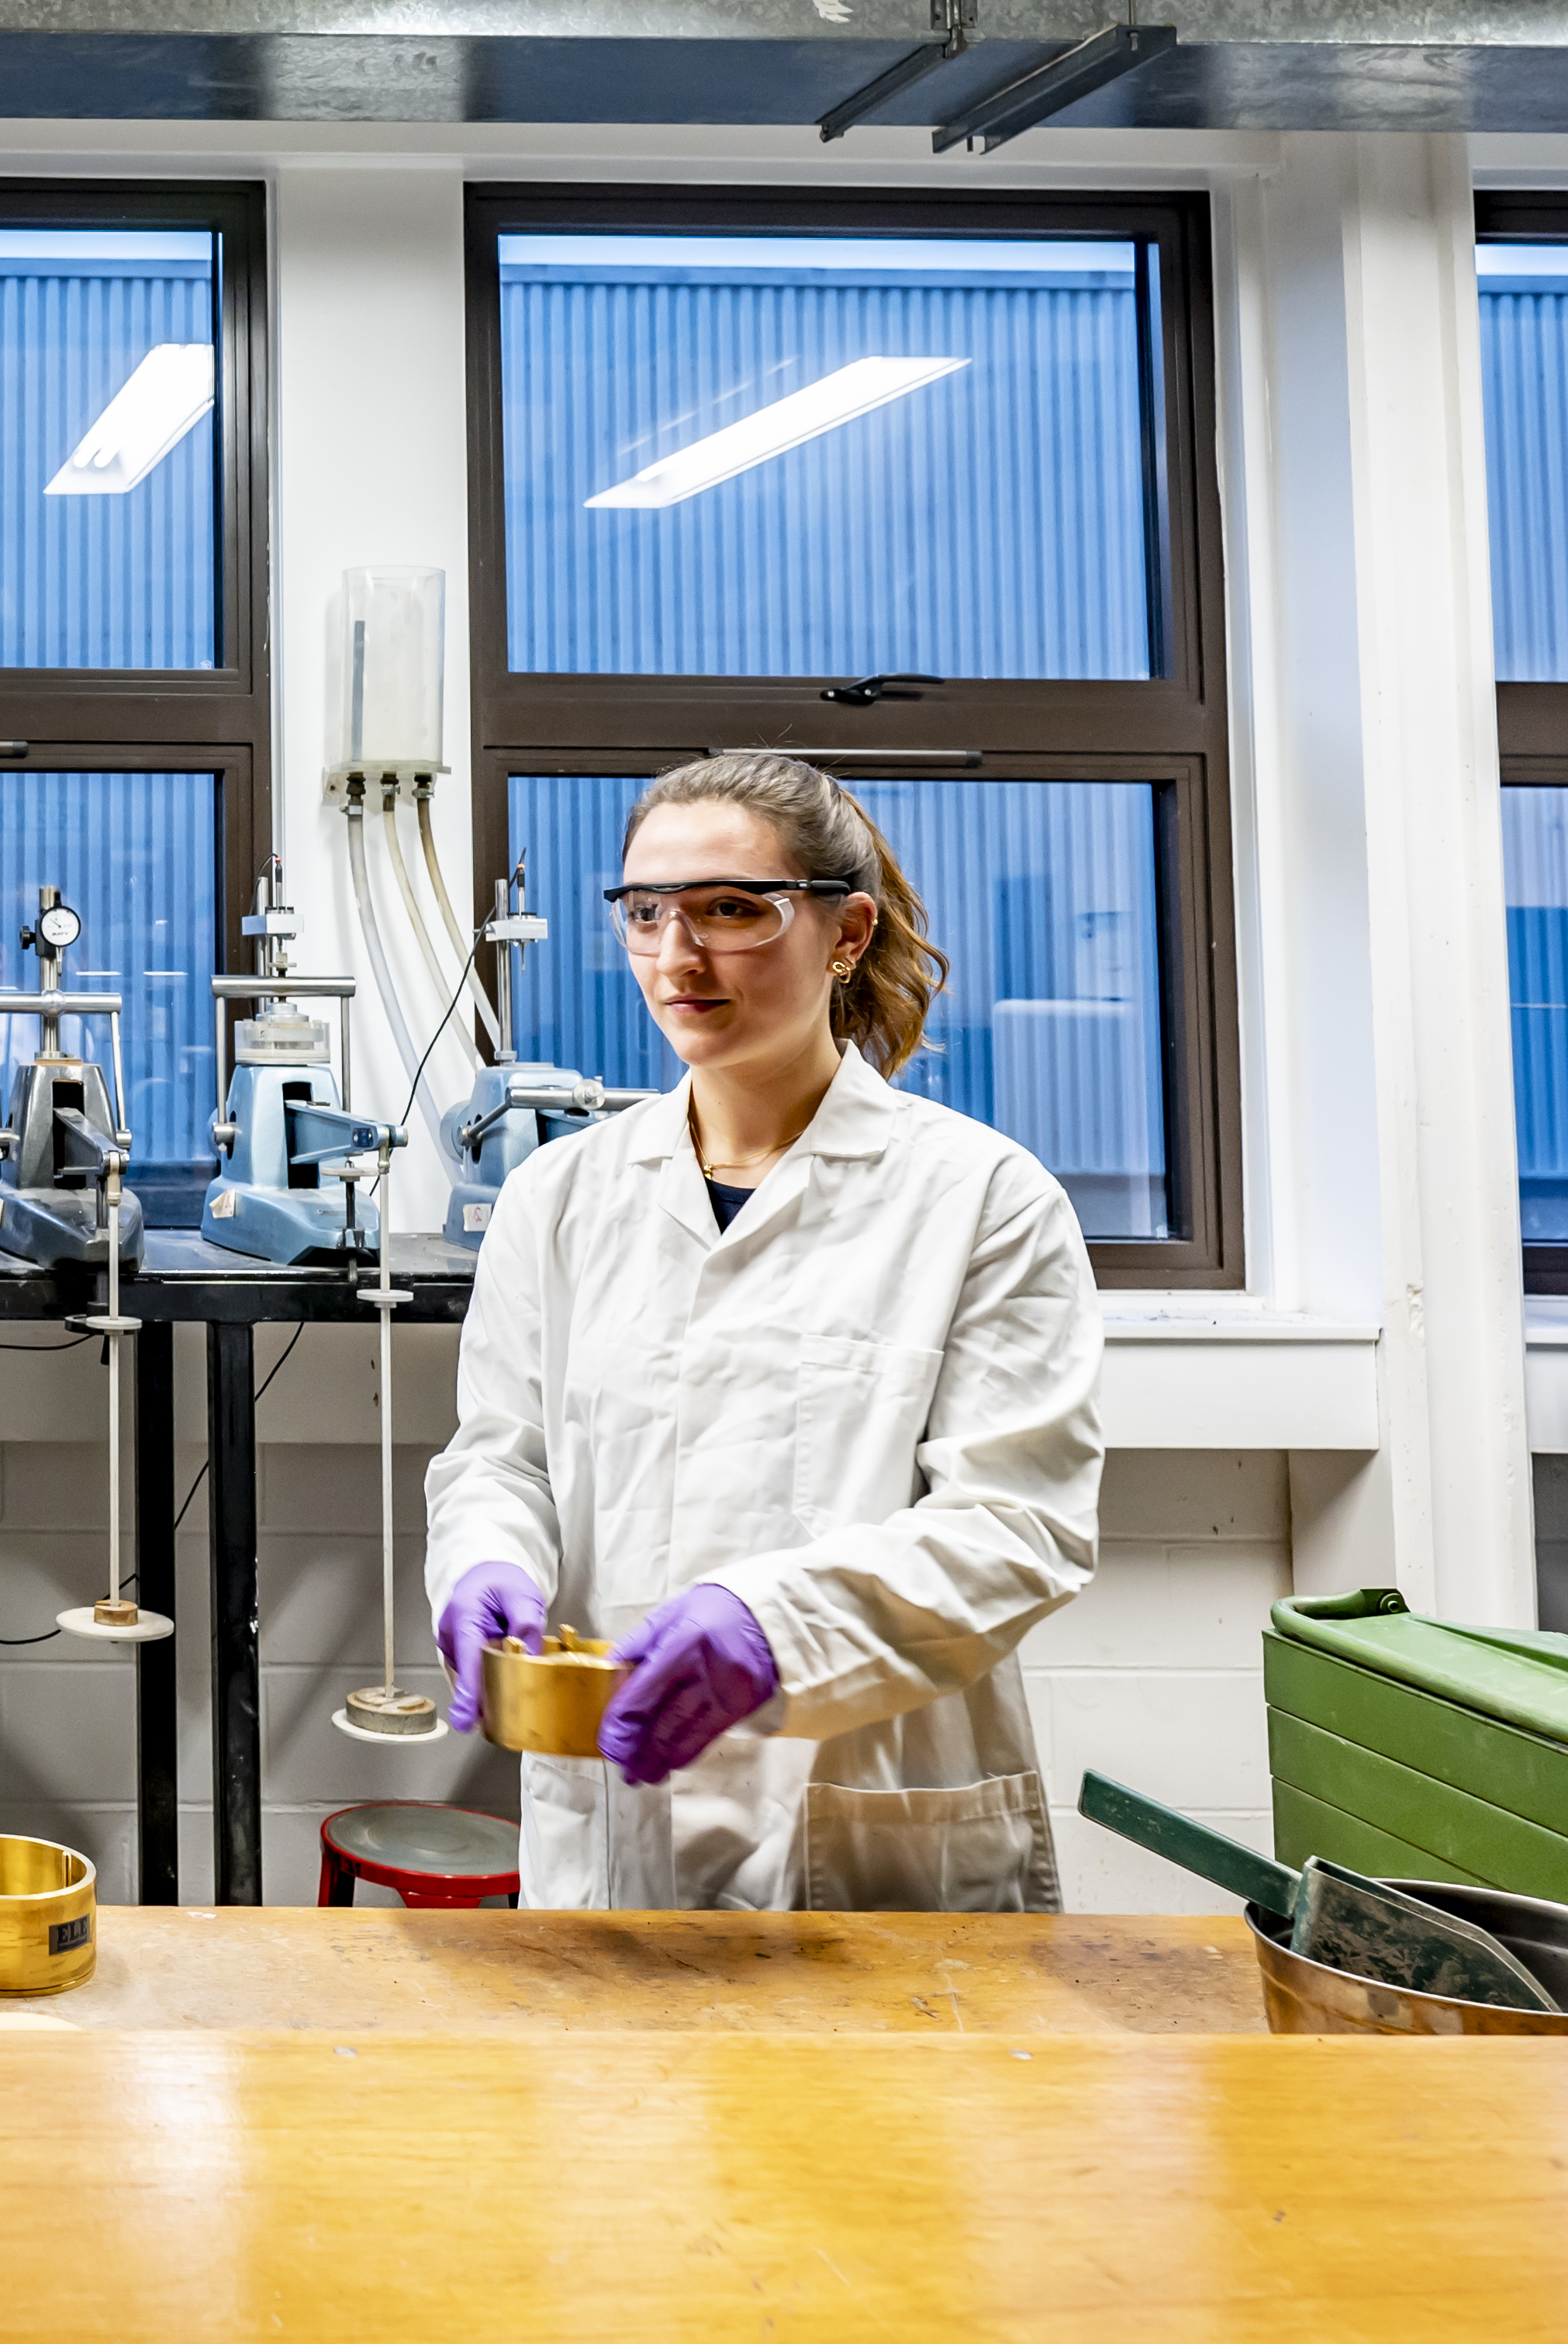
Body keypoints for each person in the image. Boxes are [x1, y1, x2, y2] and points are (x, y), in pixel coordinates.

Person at [424, 749, 1100, 1910]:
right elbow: (503, 1455)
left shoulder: (984, 1197)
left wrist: (770, 1623)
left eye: (733, 909)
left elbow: (1019, 1529)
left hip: (868, 1834)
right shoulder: (559, 1196)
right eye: (647, 913)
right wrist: (486, 1556)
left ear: (846, 933)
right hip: (618, 1830)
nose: (678, 956)